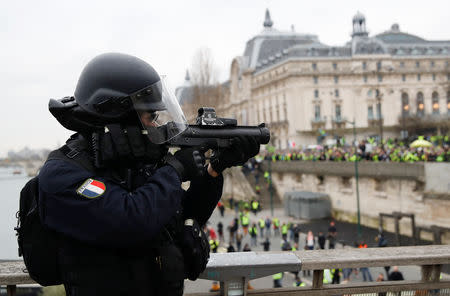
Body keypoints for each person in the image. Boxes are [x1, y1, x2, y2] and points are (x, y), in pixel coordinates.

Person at [40, 53, 261, 296]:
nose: (156, 125)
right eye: (150, 117)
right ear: (119, 117)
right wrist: (175, 170)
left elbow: (183, 216)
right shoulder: (62, 173)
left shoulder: (135, 164)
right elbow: (131, 220)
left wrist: (213, 170)